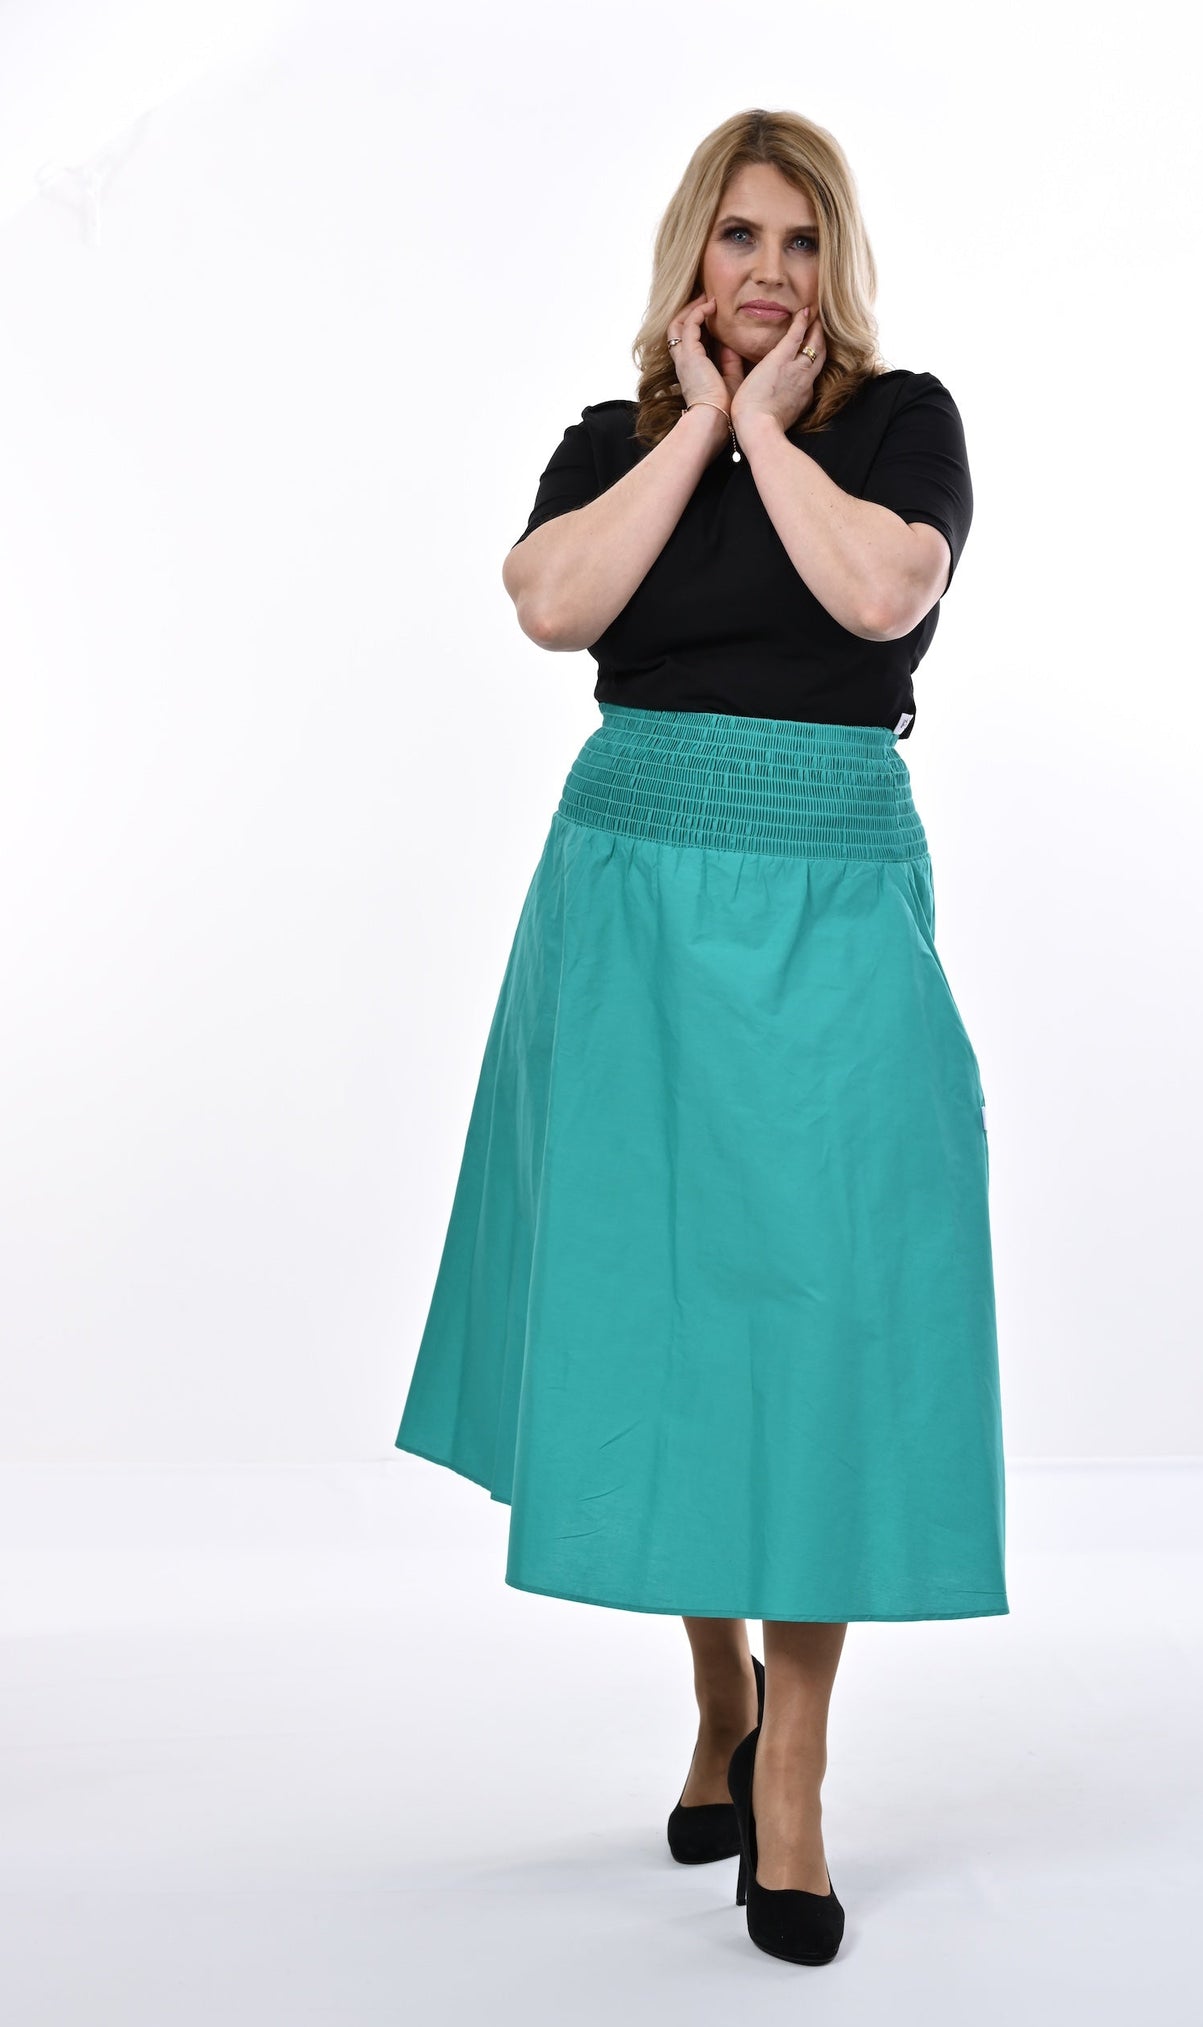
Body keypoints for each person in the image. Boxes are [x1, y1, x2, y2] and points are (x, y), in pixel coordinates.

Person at [394, 106, 1008, 1968]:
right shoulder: (607, 445)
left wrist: (758, 425)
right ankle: (718, 1703)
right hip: (633, 893)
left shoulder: (902, 430)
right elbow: (549, 603)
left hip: (825, 893)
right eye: (737, 237)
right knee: (668, 1310)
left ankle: (794, 1773)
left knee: (817, 1321)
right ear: (689, 257)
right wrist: (684, 430)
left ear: (837, 268)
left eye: (800, 242)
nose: (766, 271)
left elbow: (880, 595)